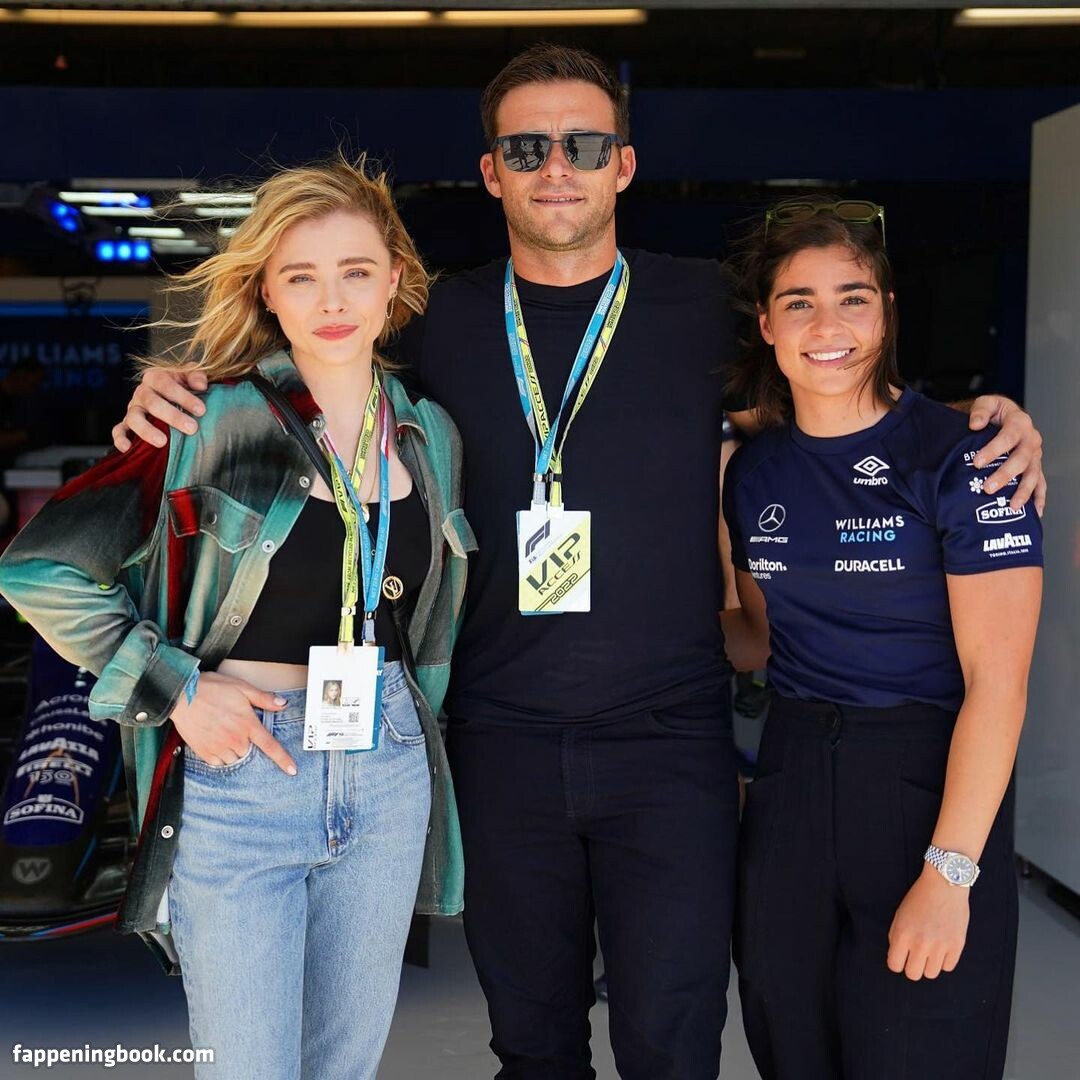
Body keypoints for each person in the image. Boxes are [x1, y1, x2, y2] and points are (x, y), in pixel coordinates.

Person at [110, 47, 1046, 1080]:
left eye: (584, 145)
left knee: (672, 1045)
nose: (557, 166)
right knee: (533, 1045)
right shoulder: (435, 320)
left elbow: (835, 378)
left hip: (671, 746)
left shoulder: (701, 307)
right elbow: (316, 346)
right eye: (527, 148)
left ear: (624, 166)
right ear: (491, 171)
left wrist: (978, 418)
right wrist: (179, 385)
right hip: (498, 741)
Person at [0, 157, 474, 1080]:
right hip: (242, 768)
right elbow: (38, 569)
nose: (331, 300)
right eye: (301, 276)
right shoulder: (204, 417)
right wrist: (177, 690)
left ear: (395, 281)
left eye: (355, 271)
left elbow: (434, 628)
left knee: (342, 1068)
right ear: (266, 290)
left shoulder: (432, 435)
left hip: (386, 770)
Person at [720, 196, 1043, 1079]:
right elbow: (758, 638)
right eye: (799, 302)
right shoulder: (754, 473)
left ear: (888, 312)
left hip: (925, 782)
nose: (827, 327)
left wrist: (950, 873)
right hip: (791, 780)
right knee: (791, 1044)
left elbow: (999, 683)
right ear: (768, 325)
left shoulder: (969, 457)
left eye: (852, 298)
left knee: (918, 1052)